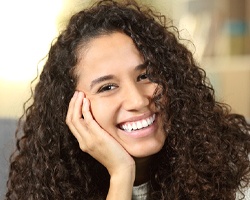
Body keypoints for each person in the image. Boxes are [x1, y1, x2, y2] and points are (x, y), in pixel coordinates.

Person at [5, 0, 250, 199]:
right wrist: (121, 175)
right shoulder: (50, 188)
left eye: (146, 75)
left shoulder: (238, 167)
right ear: (72, 109)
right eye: (107, 87)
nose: (138, 100)